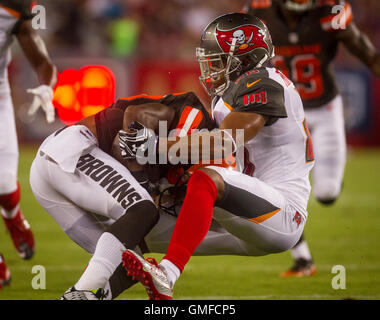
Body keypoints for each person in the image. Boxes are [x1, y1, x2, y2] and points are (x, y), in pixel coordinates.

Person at [120, 12, 315, 300]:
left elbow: (225, 143)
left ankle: (167, 275)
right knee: (137, 225)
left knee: (207, 178)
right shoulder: (230, 94)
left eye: (219, 58)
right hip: (244, 214)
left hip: (284, 215)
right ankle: (92, 289)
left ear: (246, 58)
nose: (211, 67)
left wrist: (156, 149)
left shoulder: (266, 82)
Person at [29, 92, 216, 300]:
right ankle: (79, 293)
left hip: (50, 173)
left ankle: (94, 297)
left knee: (130, 259)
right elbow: (132, 121)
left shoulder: (190, 159)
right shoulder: (188, 115)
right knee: (143, 210)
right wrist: (142, 181)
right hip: (72, 151)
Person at [244, 0, 380, 277]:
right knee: (270, 186)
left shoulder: (331, 13)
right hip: (283, 113)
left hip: (324, 108)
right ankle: (303, 259)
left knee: (327, 193)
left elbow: (369, 56)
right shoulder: (258, 12)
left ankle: (320, 173)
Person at [0, 0, 57, 288]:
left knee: (5, 184)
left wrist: (47, 86)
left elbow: (42, 61)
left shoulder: (12, 7)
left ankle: (13, 217)